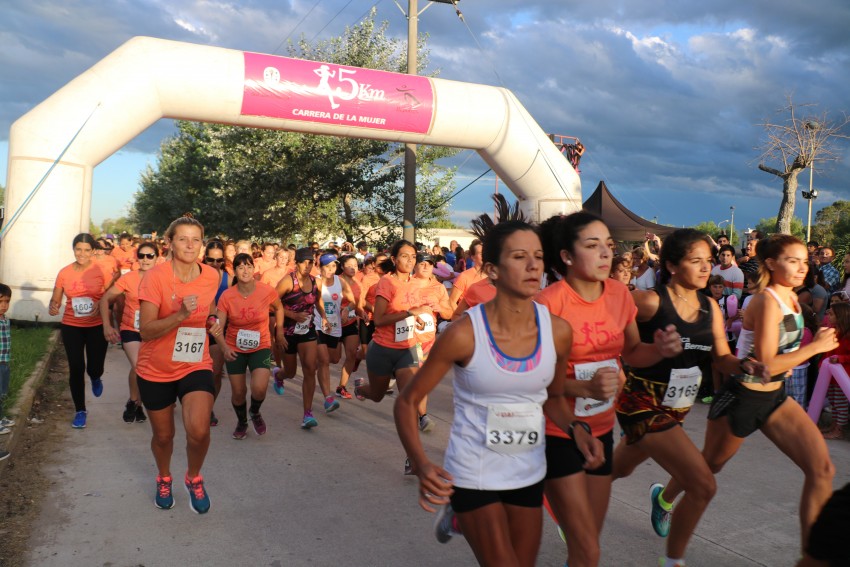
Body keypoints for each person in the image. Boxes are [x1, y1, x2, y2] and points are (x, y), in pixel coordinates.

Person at [394, 220, 604, 567]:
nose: (534, 265)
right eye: (520, 257)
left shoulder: (558, 332)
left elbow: (552, 399)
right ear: (491, 270)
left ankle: (458, 519)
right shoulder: (465, 334)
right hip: (474, 474)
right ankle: (460, 510)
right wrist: (421, 464)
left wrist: (578, 430)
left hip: (528, 471)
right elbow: (407, 402)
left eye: (538, 256)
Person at [653, 234, 839, 555]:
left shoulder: (794, 298)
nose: (801, 268)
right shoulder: (767, 301)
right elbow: (766, 361)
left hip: (775, 397)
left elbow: (780, 358)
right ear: (770, 263)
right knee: (708, 467)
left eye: (804, 261)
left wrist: (803, 350)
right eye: (792, 261)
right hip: (742, 398)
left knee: (822, 469)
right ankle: (665, 500)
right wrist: (816, 348)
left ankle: (813, 556)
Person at [611, 229, 768, 567]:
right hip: (642, 403)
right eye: (695, 261)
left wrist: (745, 364)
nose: (704, 268)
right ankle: (673, 561)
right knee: (702, 485)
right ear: (671, 264)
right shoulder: (650, 301)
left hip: (676, 408)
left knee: (614, 470)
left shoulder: (710, 307)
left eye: (707, 261)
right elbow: (624, 341)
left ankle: (576, 493)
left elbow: (722, 359)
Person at [536, 212, 683, 567]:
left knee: (585, 545)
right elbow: (530, 381)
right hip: (558, 431)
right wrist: (582, 386)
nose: (605, 253)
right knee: (588, 550)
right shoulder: (547, 304)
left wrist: (660, 350)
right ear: (567, 257)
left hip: (601, 431)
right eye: (592, 245)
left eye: (608, 245)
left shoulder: (620, 295)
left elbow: (633, 352)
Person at [136, 216, 219, 513]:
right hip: (156, 368)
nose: (189, 245)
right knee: (163, 436)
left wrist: (214, 323)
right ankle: (164, 476)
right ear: (169, 243)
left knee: (199, 430)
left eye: (196, 239)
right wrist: (181, 315)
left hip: (195, 362)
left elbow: (209, 310)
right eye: (182, 238)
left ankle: (194, 477)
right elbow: (145, 330)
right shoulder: (155, 277)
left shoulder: (212, 275)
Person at [213, 253, 285, 440]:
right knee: (238, 392)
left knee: (259, 388)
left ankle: (254, 411)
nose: (245, 270)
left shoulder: (266, 290)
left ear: (254, 269)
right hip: (234, 347)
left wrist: (279, 332)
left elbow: (279, 308)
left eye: (248, 266)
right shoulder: (227, 296)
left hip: (260, 344)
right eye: (240, 267)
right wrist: (223, 347)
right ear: (235, 271)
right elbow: (218, 326)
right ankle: (242, 421)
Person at [353, 241, 432, 408]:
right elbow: (380, 320)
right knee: (377, 395)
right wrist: (410, 313)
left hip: (407, 349)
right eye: (405, 256)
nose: (410, 261)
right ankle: (361, 389)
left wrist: (417, 319)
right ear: (394, 259)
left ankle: (410, 429)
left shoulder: (415, 283)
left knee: (408, 398)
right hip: (383, 349)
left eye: (413, 257)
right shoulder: (387, 282)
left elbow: (411, 310)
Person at [49, 233, 108, 429]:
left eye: (86, 250)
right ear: (73, 249)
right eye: (78, 249)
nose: (81, 253)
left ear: (93, 251)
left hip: (96, 326)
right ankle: (80, 410)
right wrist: (54, 306)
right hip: (72, 325)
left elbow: (111, 296)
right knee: (76, 367)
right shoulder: (64, 272)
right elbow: (56, 298)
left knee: (94, 367)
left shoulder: (101, 271)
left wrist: (100, 302)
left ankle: (96, 376)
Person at [100, 241, 161, 423]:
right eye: (141, 255)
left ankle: (137, 404)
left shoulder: (164, 278)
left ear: (157, 258)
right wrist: (107, 325)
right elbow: (105, 299)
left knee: (145, 369)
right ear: (137, 258)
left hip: (154, 331)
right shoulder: (129, 278)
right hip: (131, 329)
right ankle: (134, 401)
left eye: (150, 256)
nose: (145, 259)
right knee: (139, 366)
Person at [276, 247, 330, 429]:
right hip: (288, 333)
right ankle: (279, 375)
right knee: (290, 372)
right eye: (304, 262)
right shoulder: (288, 281)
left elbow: (318, 301)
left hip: (307, 330)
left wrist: (323, 316)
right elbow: (271, 304)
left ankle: (307, 413)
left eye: (311, 263)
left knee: (310, 368)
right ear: (296, 263)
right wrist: (291, 315)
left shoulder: (317, 283)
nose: (307, 266)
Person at [313, 252, 356, 412]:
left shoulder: (341, 281)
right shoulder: (316, 282)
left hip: (335, 327)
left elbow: (353, 301)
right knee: (324, 361)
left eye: (333, 266)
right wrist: (323, 317)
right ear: (320, 267)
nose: (331, 269)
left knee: (335, 359)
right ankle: (328, 398)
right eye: (327, 266)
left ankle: (315, 366)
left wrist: (346, 309)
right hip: (319, 324)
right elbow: (316, 301)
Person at [201, 239, 230, 427]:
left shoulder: (230, 277)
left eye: (219, 260)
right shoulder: (197, 274)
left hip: (218, 329)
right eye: (211, 260)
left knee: (216, 372)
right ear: (205, 259)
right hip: (196, 329)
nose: (215, 264)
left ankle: (208, 407)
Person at [818, 302, 850, 439]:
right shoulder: (832, 331)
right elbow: (827, 353)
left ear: (841, 316)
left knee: (841, 403)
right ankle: (834, 425)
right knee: (834, 401)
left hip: (843, 375)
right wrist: (821, 365)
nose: (828, 315)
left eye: (831, 314)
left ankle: (839, 429)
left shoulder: (847, 336)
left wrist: (840, 359)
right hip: (830, 376)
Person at [336, 255, 363, 399]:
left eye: (356, 265)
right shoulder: (335, 282)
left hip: (350, 323)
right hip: (334, 324)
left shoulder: (358, 284)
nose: (353, 268)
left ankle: (341, 387)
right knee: (334, 358)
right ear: (342, 267)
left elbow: (358, 305)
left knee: (351, 355)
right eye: (349, 265)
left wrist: (362, 313)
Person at [448, 240, 485, 309]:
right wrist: (462, 318)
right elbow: (452, 302)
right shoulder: (464, 277)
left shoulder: (494, 276)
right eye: (481, 254)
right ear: (473, 257)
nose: (485, 255)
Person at [0, 284, 13, 459]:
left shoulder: (5, 319)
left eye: (7, 301)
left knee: (2, 392)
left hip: (4, 361)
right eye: (0, 301)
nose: (3, 305)